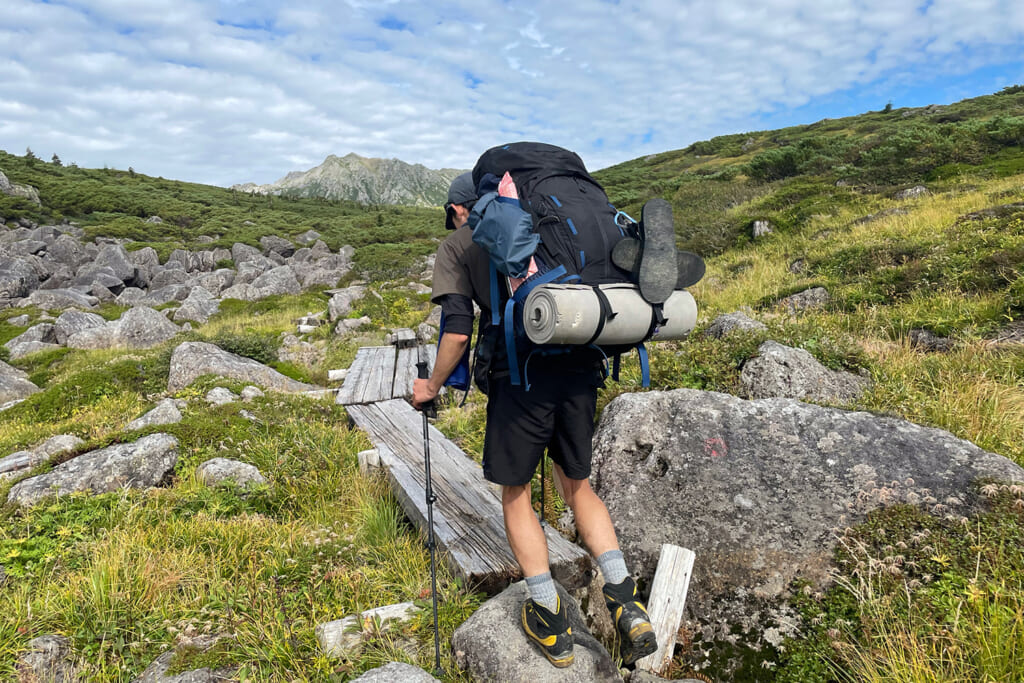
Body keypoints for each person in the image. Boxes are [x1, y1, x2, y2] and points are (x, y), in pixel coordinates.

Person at [413, 172, 658, 668]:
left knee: (516, 492)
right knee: (578, 487)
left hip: (522, 376)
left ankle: (546, 614)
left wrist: (430, 386)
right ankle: (625, 600)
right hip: (581, 360)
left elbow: (457, 334)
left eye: (451, 213)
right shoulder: (545, 229)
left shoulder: (460, 245)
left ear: (462, 208)